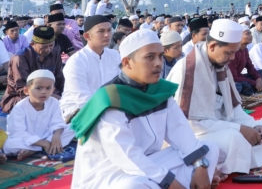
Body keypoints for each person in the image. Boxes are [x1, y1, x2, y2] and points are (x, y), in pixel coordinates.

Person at [71, 30, 220, 189]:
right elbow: (126, 156)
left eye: (160, 56)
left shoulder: (158, 90)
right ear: (127, 62)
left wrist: (200, 165)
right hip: (109, 174)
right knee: (133, 186)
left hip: (149, 162)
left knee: (209, 148)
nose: (158, 63)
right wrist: (170, 182)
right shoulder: (111, 99)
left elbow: (181, 132)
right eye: (150, 57)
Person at [166, 19, 262, 177]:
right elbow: (191, 124)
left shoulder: (220, 64)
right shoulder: (188, 70)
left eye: (235, 52)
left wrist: (252, 126)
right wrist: (240, 129)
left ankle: (245, 152)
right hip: (194, 135)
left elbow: (233, 108)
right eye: (229, 52)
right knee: (236, 139)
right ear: (213, 46)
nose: (232, 57)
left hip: (221, 125)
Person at [2, 70, 76, 160]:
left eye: (48, 88)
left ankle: (34, 150)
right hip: (26, 140)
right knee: (9, 146)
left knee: (73, 127)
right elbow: (18, 133)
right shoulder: (20, 107)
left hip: (47, 136)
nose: (44, 92)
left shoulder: (54, 102)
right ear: (26, 90)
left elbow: (58, 122)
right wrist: (44, 143)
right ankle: (43, 148)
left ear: (53, 90)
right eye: (39, 88)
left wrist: (56, 137)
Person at [60, 15, 121, 122]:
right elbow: (82, 100)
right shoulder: (76, 61)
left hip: (109, 111)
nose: (107, 35)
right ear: (87, 36)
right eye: (101, 31)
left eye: (109, 30)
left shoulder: (115, 56)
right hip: (78, 114)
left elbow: (121, 88)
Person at [1, 26, 66, 113]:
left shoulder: (55, 52)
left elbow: (59, 78)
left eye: (51, 45)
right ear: (32, 44)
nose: (48, 50)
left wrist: (65, 95)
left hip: (52, 94)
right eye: (44, 47)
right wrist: (50, 97)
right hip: (23, 97)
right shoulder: (20, 58)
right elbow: (22, 88)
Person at [229, 30, 262, 95]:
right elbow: (233, 77)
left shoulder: (245, 50)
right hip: (232, 80)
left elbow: (250, 67)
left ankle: (255, 88)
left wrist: (258, 78)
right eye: (247, 34)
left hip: (240, 77)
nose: (250, 36)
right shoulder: (233, 52)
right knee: (243, 85)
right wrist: (254, 83)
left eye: (250, 33)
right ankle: (253, 90)